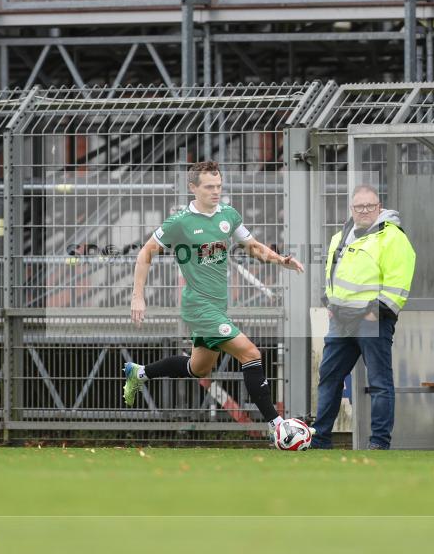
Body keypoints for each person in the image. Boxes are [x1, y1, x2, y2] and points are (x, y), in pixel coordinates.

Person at [125, 160, 305, 441]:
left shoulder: (228, 216)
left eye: (219, 186)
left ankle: (139, 372)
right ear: (193, 188)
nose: (216, 191)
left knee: (198, 368)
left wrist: (280, 260)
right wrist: (138, 297)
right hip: (198, 307)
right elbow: (145, 253)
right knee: (251, 354)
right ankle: (277, 425)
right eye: (209, 187)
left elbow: (252, 246)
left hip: (218, 306)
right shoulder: (180, 222)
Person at [311, 185, 415, 450]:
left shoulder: (392, 237)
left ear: (379, 207)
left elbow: (399, 279)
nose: (365, 210)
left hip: (372, 320)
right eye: (359, 206)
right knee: (329, 378)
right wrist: (329, 303)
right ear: (352, 209)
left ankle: (379, 442)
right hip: (341, 320)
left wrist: (376, 312)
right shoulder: (341, 236)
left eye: (370, 206)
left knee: (379, 383)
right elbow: (331, 273)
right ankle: (320, 439)